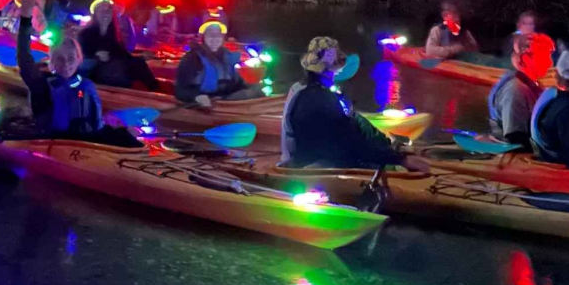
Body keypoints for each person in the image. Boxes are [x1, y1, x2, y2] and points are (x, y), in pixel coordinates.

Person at [280, 36, 431, 169]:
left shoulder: (303, 90)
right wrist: (399, 160)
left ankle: (390, 147)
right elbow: (352, 140)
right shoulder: (323, 101)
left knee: (358, 121)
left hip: (309, 155)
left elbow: (352, 126)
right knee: (375, 158)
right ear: (331, 70)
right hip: (317, 163)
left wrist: (389, 149)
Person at [12, 0, 139, 145]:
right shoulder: (40, 85)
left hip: (89, 143)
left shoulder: (86, 85)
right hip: (57, 144)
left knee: (127, 136)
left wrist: (123, 132)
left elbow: (97, 127)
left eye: (71, 58)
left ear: (79, 60)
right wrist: (26, 20)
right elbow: (24, 58)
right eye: (59, 58)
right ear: (51, 62)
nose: (66, 64)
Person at [488, 32, 556, 149]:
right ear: (526, 59)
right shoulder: (516, 90)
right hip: (513, 150)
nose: (550, 63)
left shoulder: (533, 84)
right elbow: (515, 137)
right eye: (544, 56)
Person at [78, 0, 161, 90]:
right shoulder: (85, 34)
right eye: (101, 10)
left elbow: (123, 55)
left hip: (113, 69)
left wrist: (142, 57)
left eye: (108, 10)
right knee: (116, 70)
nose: (105, 13)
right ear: (95, 14)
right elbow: (80, 60)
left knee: (138, 63)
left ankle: (156, 90)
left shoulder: (113, 34)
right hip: (95, 73)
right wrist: (96, 57)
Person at [173, 20, 261, 106]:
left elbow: (238, 84)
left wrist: (253, 87)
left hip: (224, 100)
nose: (214, 38)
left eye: (218, 34)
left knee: (256, 89)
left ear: (223, 38)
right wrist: (196, 97)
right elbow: (180, 91)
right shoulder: (192, 59)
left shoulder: (226, 57)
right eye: (210, 35)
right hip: (204, 103)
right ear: (203, 38)